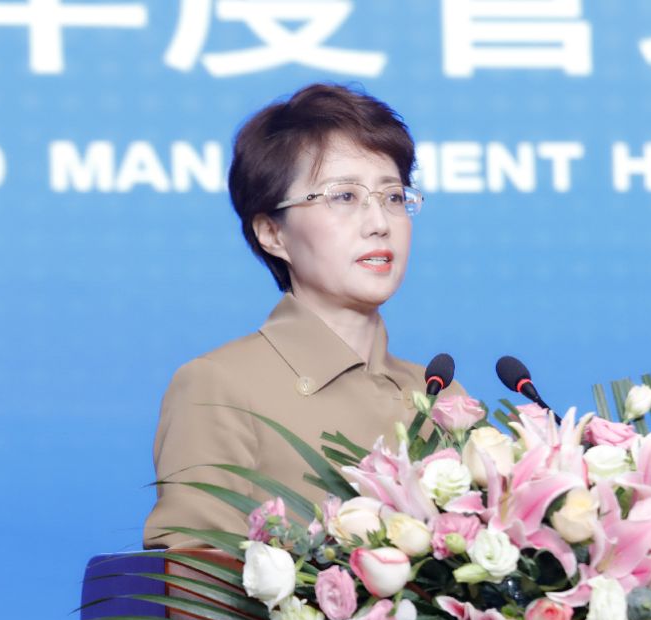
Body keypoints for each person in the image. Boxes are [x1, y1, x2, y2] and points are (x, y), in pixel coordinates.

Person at [144, 84, 461, 549]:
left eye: (393, 197)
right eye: (345, 196)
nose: (379, 223)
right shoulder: (219, 388)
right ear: (272, 233)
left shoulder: (441, 395)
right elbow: (196, 579)